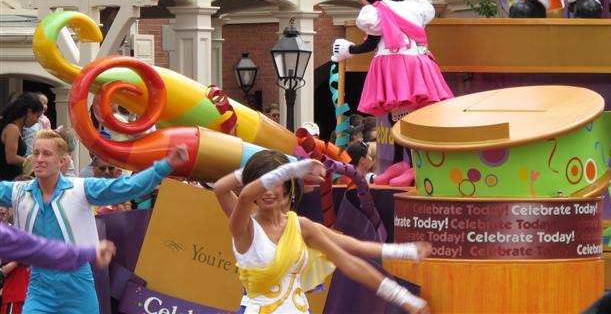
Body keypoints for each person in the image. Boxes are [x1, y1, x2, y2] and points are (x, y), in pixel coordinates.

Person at [213, 150, 430, 313]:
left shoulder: (300, 226)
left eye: (276, 183)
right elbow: (228, 191)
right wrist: (285, 169)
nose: (268, 192)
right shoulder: (244, 228)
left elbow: (349, 256)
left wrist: (403, 293)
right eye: (263, 184)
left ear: (287, 187)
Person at [0, 130, 186, 314]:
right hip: (40, 287)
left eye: (47, 154)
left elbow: (128, 187)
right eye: (36, 153)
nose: (39, 159)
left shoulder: (81, 188)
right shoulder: (18, 191)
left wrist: (165, 166)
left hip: (77, 287)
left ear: (62, 161)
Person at [0, 95, 43, 182]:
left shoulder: (16, 128)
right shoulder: (12, 128)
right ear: (29, 112)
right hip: (7, 180)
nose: (37, 121)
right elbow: (11, 158)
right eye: (37, 116)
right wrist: (32, 161)